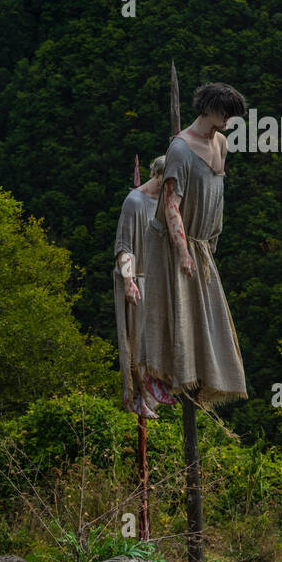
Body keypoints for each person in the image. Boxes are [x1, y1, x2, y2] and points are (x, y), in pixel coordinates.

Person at [137, 82, 248, 408]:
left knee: (202, 315)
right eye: (226, 113)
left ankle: (195, 379)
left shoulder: (221, 143)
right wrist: (183, 251)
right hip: (174, 243)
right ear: (211, 109)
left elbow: (217, 193)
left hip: (201, 243)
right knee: (169, 310)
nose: (229, 120)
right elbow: (171, 205)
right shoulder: (181, 150)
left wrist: (212, 238)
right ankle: (155, 378)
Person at [114, 155, 165, 418]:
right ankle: (136, 396)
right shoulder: (134, 202)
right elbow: (123, 249)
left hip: (157, 282)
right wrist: (129, 281)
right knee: (135, 341)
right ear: (158, 175)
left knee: (157, 341)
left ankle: (154, 389)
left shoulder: (167, 203)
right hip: (137, 277)